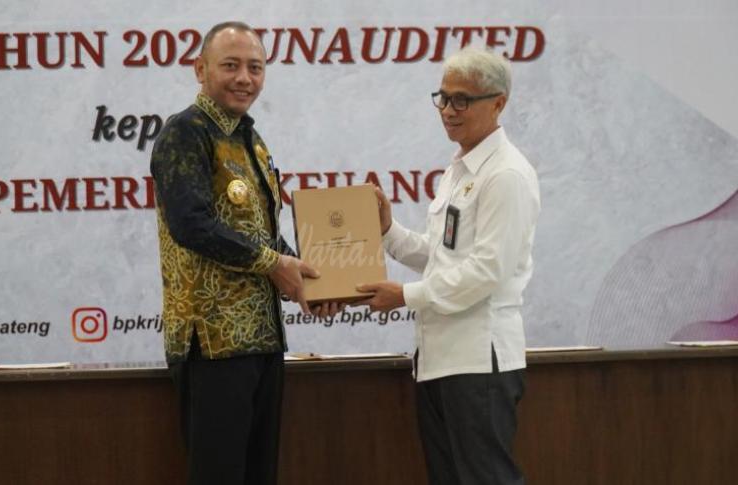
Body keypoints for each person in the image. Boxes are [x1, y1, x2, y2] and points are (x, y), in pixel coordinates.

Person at [150, 21, 340, 485]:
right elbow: (191, 225)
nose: (244, 78)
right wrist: (275, 265)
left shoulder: (249, 138)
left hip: (263, 339)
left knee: (259, 475)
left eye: (255, 68)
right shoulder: (186, 132)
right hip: (213, 343)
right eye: (230, 65)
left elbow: (263, 234)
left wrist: (312, 281)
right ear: (200, 69)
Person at [356, 47, 540, 484]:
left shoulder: (505, 175)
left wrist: (404, 296)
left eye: (462, 100)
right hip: (441, 359)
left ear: (498, 103)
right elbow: (442, 258)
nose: (448, 111)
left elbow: (486, 272)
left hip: (479, 360)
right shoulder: (459, 170)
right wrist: (387, 231)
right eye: (443, 97)